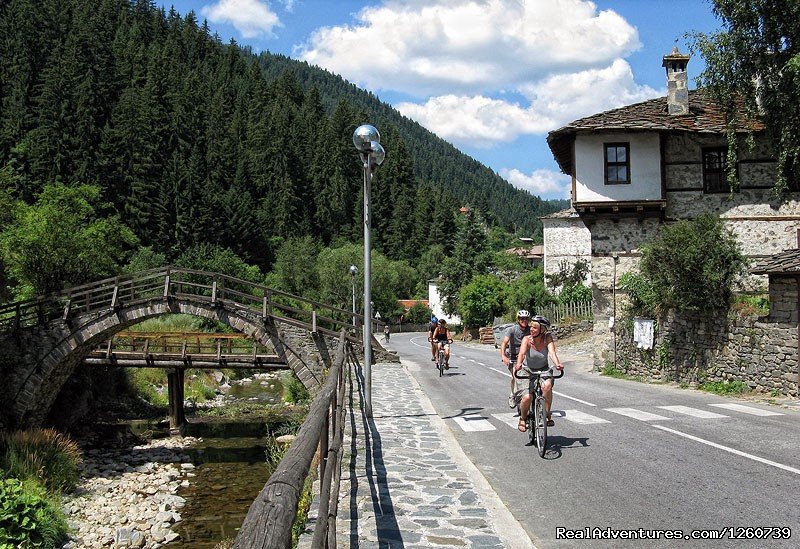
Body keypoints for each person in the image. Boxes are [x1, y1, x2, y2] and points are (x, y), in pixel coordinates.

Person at [513, 315, 564, 432]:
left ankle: (547, 414)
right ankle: (522, 418)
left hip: (544, 369)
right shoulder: (527, 339)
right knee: (527, 397)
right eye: (531, 327)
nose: (531, 329)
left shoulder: (547, 338)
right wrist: (519, 364)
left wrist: (557, 364)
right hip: (527, 370)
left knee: (547, 387)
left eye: (535, 327)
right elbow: (521, 354)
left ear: (542, 330)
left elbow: (552, 353)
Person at [499, 310, 531, 408]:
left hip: (526, 357)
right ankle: (513, 395)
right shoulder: (512, 329)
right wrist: (503, 356)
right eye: (522, 319)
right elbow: (504, 343)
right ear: (518, 319)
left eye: (526, 319)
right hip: (513, 358)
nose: (524, 321)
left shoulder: (530, 329)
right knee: (516, 376)